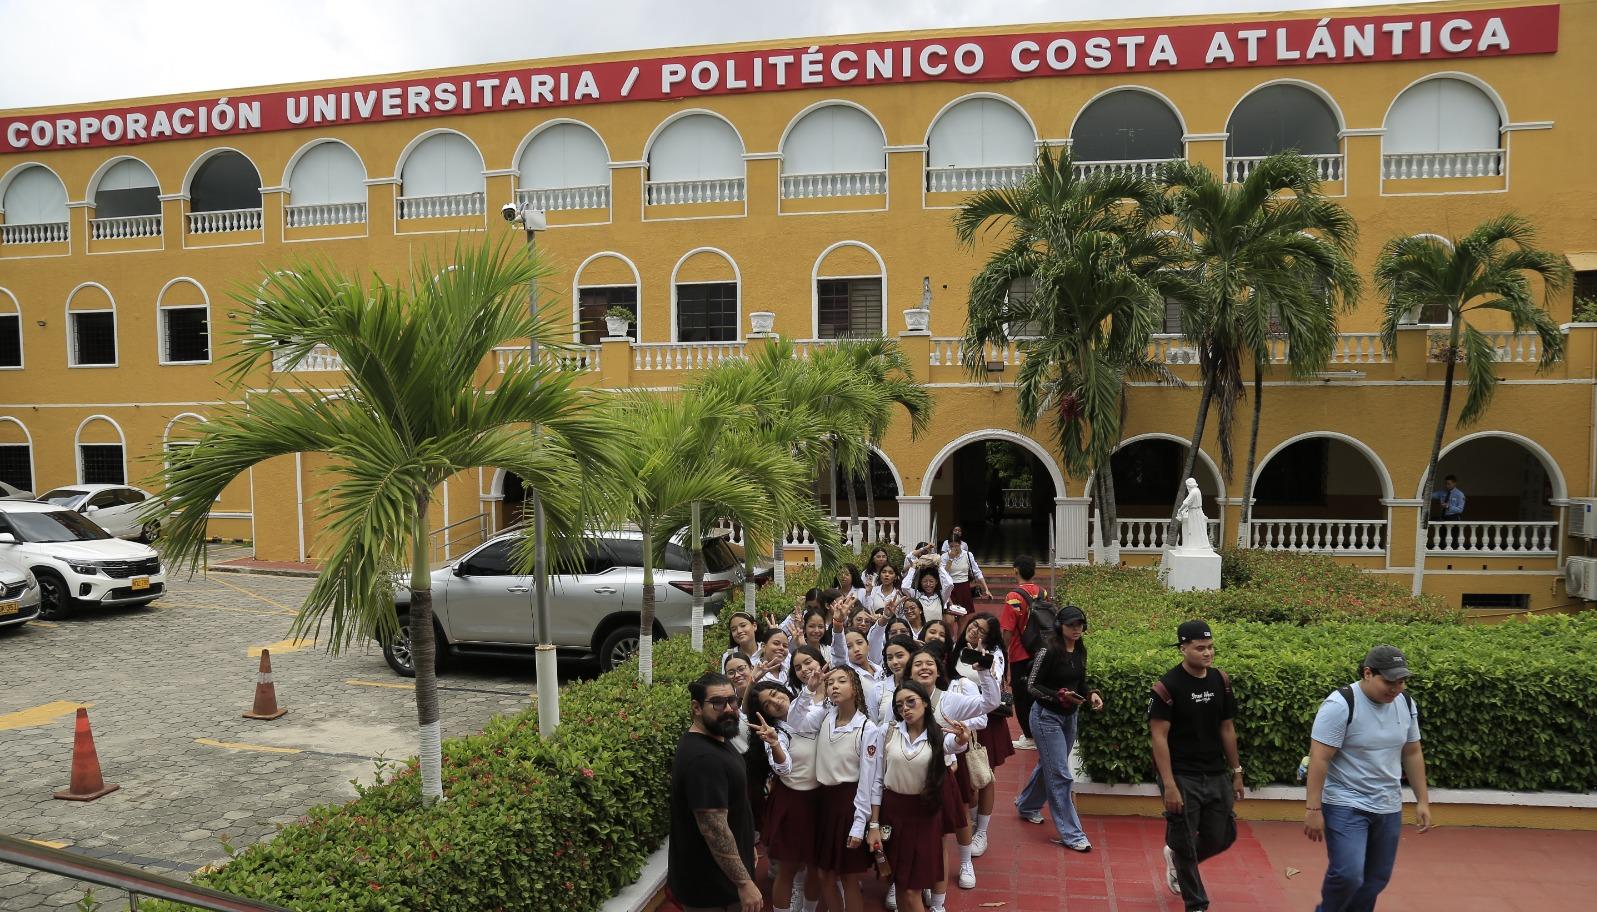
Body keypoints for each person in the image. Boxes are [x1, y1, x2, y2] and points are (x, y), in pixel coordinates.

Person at [1305, 645, 1432, 912]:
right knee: (1348, 874)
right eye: (1389, 681)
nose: (1396, 688)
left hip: (1387, 804)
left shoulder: (1406, 703)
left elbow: (1412, 751)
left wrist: (1422, 800)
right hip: (1345, 802)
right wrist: (1313, 808)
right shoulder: (1340, 705)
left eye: (1401, 681)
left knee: (1376, 879)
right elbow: (1319, 758)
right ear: (1367, 673)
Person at [1148, 620, 1243, 911]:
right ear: (1183, 648)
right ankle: (1196, 903)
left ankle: (1177, 859)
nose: (1207, 653)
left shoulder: (1220, 681)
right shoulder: (1167, 687)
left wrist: (1236, 772)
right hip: (1181, 774)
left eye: (1210, 647)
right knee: (1184, 840)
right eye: (1200, 648)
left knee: (1223, 835)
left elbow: (1227, 728)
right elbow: (1159, 738)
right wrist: (1170, 785)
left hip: (1215, 772)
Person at [866, 680, 972, 912]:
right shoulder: (888, 731)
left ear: (925, 702)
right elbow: (877, 780)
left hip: (923, 815)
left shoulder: (937, 735)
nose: (905, 708)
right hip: (893, 812)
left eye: (911, 701)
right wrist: (874, 822)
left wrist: (963, 738)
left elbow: (955, 744)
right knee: (900, 885)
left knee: (913, 888)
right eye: (900, 704)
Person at [788, 665, 882, 912]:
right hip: (822, 802)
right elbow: (795, 721)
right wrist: (809, 689)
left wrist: (860, 823)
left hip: (848, 805)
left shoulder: (867, 728)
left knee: (849, 878)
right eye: (831, 683)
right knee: (823, 875)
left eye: (842, 681)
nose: (834, 686)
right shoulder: (825, 716)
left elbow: (868, 780)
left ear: (856, 689)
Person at [670, 672, 761, 912]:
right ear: (696, 707)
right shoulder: (704, 760)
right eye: (718, 703)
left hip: (721, 883)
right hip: (712, 891)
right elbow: (714, 828)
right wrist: (744, 882)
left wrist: (747, 845)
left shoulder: (717, 737)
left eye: (732, 700)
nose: (729, 708)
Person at [1016, 604, 1103, 851]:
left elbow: (1080, 682)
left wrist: (1092, 694)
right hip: (1046, 718)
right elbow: (1032, 686)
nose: (1077, 630)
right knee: (1061, 775)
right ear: (1060, 626)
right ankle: (1072, 835)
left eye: (1080, 625)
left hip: (1069, 718)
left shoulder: (1080, 649)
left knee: (1051, 767)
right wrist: (1059, 696)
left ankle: (1026, 805)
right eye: (1071, 625)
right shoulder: (1048, 650)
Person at [749, 674, 824, 912]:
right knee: (788, 869)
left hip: (820, 801)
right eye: (767, 704)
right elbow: (784, 768)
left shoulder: (812, 712)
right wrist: (774, 744)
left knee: (815, 867)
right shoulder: (775, 733)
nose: (776, 702)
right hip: (792, 803)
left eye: (774, 694)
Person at [956, 612, 1014, 857]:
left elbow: (996, 680)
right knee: (964, 774)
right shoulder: (955, 651)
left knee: (984, 774)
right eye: (973, 625)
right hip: (958, 720)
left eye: (981, 630)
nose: (974, 631)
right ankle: (970, 818)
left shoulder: (993, 656)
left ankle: (982, 831)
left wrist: (985, 665)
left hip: (986, 724)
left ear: (989, 637)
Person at [999, 555, 1045, 750]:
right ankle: (1040, 732)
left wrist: (1001, 652)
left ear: (1015, 571)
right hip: (1040, 651)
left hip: (1020, 653)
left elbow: (1008, 630)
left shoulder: (1013, 597)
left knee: (1021, 696)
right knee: (1038, 693)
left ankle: (1029, 736)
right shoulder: (1042, 592)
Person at [939, 527, 987, 617]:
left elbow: (977, 571)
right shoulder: (944, 557)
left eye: (956, 546)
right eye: (951, 546)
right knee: (950, 618)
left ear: (960, 544)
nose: (954, 549)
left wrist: (986, 588)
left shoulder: (968, 554)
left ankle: (960, 632)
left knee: (964, 617)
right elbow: (943, 575)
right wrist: (951, 559)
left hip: (964, 587)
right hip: (950, 587)